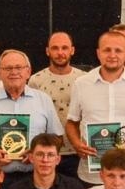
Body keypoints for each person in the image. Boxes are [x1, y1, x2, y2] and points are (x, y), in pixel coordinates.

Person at [66, 28, 125, 189]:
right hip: (93, 174)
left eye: (118, 50)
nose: (112, 55)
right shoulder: (81, 84)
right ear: (98, 53)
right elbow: (71, 122)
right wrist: (76, 144)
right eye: (107, 50)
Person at [0, 50, 62, 177]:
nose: (14, 72)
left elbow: (58, 138)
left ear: (28, 72)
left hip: (35, 177)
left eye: (19, 67)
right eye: (8, 68)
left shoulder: (44, 100)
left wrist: (36, 152)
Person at [28, 31, 84, 176]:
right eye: (55, 48)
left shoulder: (84, 80)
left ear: (72, 50)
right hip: (46, 154)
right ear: (47, 51)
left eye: (64, 48)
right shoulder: (35, 81)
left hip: (78, 152)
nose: (60, 53)